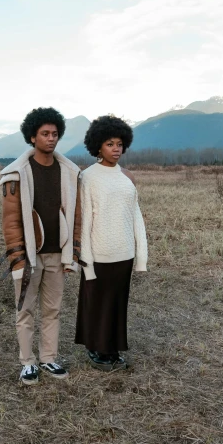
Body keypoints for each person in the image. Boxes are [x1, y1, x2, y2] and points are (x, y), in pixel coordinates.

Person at [0, 107, 82, 385]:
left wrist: (73, 253)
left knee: (53, 309)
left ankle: (48, 358)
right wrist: (18, 258)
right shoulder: (16, 174)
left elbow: (75, 215)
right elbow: (11, 222)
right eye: (44, 134)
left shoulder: (69, 172)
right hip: (29, 257)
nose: (51, 138)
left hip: (58, 255)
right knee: (25, 310)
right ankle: (27, 363)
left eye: (55, 134)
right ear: (32, 137)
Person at [75, 115, 148, 371]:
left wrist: (141, 255)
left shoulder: (127, 177)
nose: (116, 149)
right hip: (99, 253)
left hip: (124, 252)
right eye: (109, 143)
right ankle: (96, 349)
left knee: (117, 303)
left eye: (119, 144)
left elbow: (135, 215)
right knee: (97, 303)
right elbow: (83, 220)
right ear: (97, 146)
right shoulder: (88, 177)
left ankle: (113, 348)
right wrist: (86, 261)